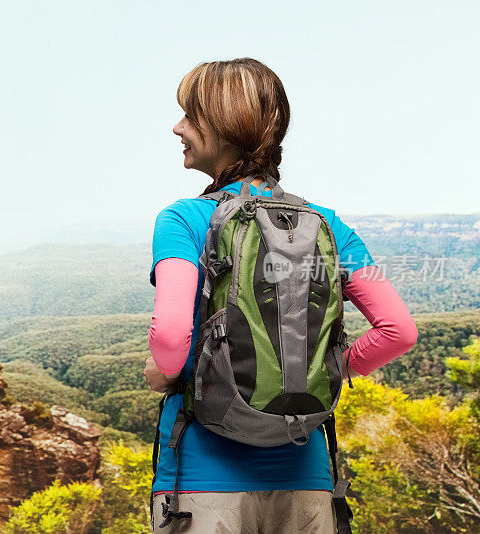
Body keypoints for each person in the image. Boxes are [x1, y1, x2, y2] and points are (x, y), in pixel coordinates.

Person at [143, 58, 418, 534]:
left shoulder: (183, 219)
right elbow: (398, 331)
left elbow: (170, 336)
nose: (177, 127)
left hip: (201, 484)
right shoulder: (327, 224)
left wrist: (161, 372)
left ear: (224, 126)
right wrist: (330, 366)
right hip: (306, 474)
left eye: (189, 115)